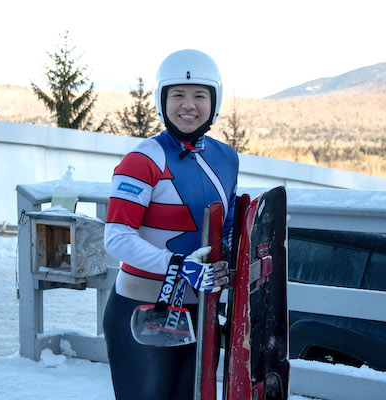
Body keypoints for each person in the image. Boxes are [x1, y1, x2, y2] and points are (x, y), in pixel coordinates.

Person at [102, 49, 239, 400]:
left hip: (201, 311)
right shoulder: (142, 160)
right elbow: (116, 238)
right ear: (163, 100)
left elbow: (220, 227)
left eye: (199, 95)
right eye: (177, 94)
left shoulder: (226, 158)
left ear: (214, 101)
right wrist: (178, 266)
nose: (188, 105)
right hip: (143, 310)